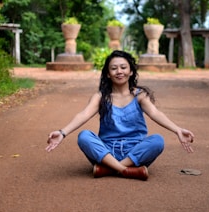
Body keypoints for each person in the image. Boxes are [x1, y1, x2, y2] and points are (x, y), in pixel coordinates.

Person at [46, 50, 194, 181]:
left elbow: (155, 113)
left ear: (130, 72)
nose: (119, 71)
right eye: (114, 68)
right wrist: (62, 132)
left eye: (123, 67)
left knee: (157, 141)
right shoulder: (101, 97)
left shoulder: (139, 95)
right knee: (84, 136)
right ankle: (126, 171)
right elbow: (83, 114)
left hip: (135, 152)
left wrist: (177, 130)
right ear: (108, 74)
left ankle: (110, 169)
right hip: (106, 152)